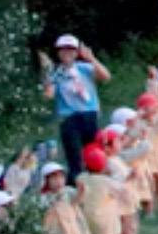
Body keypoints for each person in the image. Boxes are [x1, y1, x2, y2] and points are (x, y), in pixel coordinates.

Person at [45, 33, 111, 176]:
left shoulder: (84, 68)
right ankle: (75, 184)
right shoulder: (56, 73)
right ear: (58, 53)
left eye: (71, 50)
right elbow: (49, 94)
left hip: (89, 115)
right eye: (63, 50)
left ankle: (95, 182)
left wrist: (91, 58)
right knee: (75, 157)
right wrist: (48, 80)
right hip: (69, 118)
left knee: (94, 153)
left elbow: (105, 76)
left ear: (76, 53)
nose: (67, 53)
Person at [77, 144, 121, 234]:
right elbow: (119, 187)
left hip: (87, 217)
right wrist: (114, 171)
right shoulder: (106, 182)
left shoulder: (82, 178)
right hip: (103, 219)